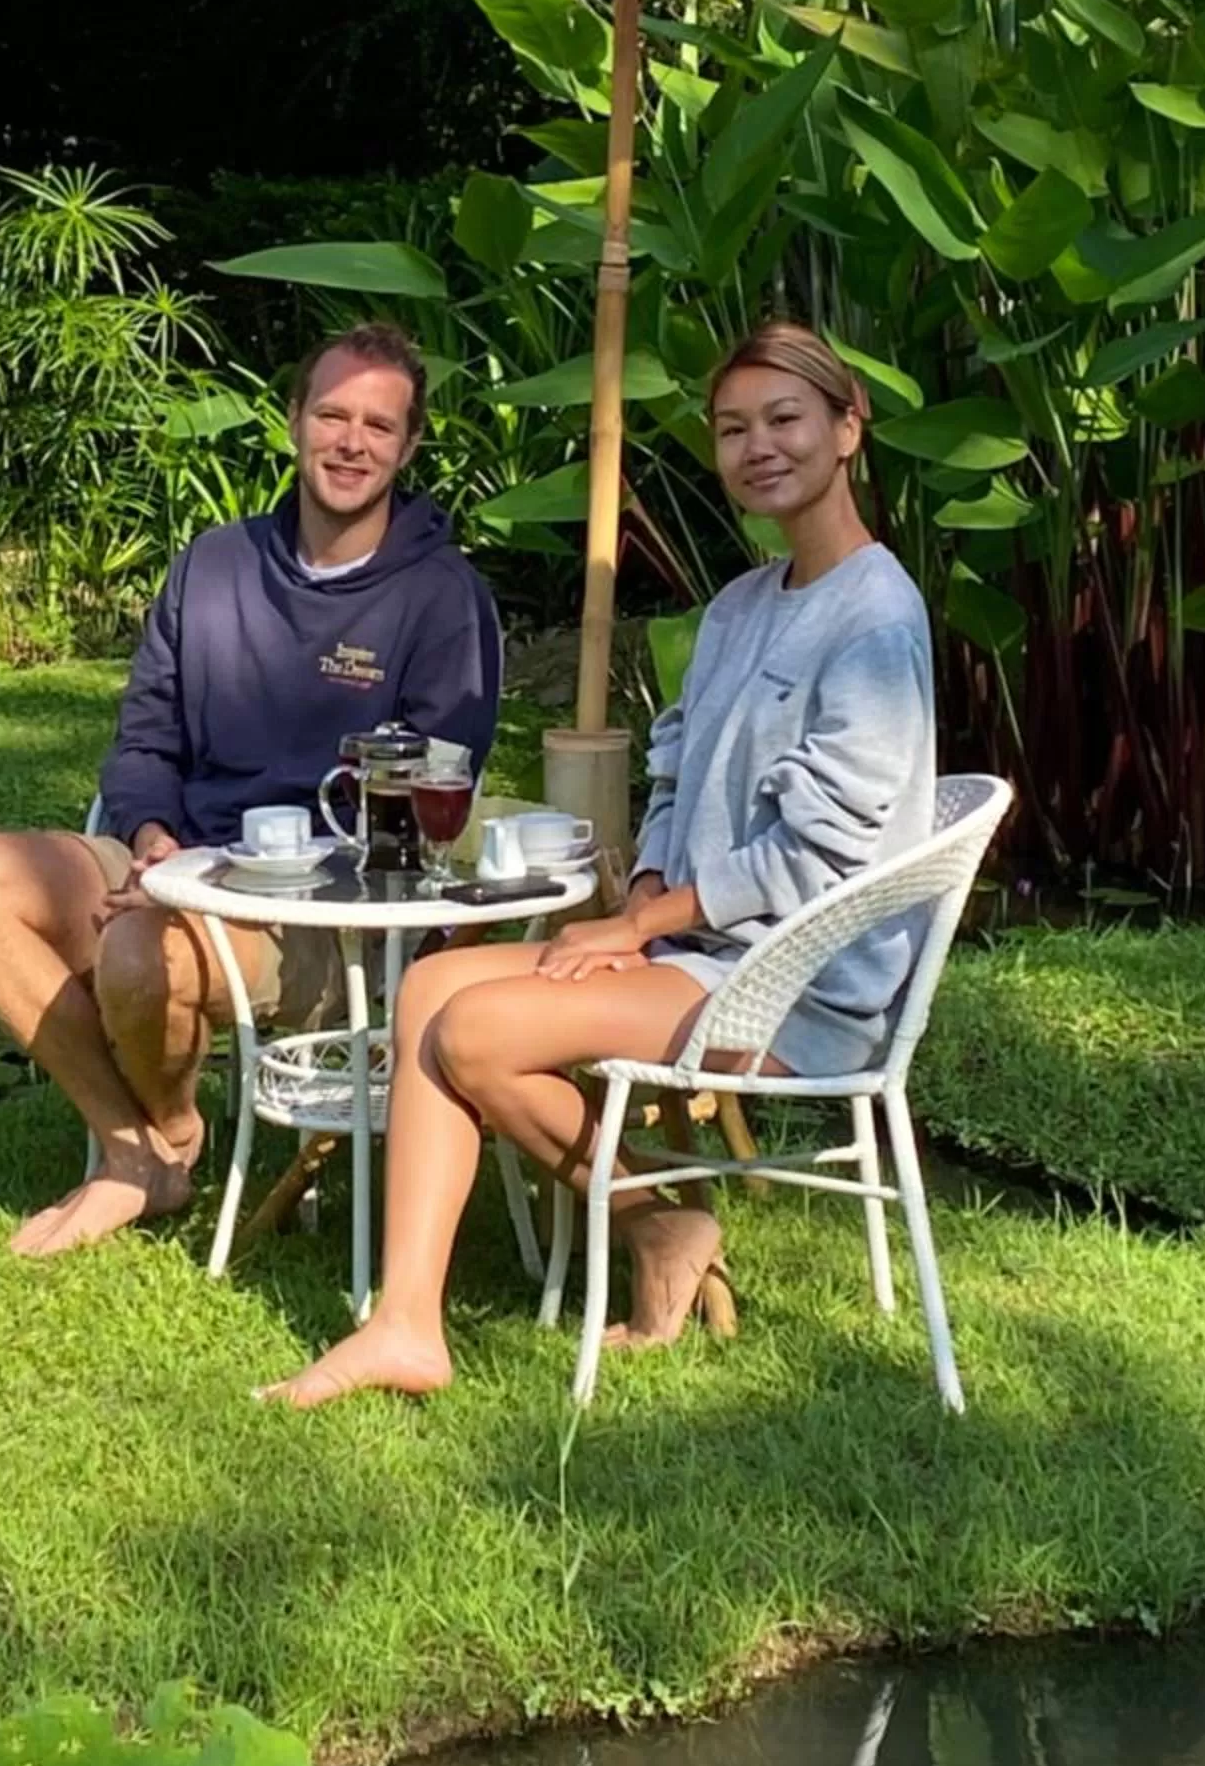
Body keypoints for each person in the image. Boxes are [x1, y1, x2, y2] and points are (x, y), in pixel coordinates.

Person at [261, 320, 934, 1408]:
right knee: (430, 986)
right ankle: (410, 1323)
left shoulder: (876, 618)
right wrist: (655, 890)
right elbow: (672, 780)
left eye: (785, 420)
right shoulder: (739, 608)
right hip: (702, 949)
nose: (757, 446)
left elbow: (826, 849)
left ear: (848, 429)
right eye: (732, 428)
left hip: (793, 988)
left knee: (475, 1032)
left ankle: (650, 1219)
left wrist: (634, 930)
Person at [0, 322, 501, 1254]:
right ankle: (142, 1147)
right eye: (332, 415)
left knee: (142, 954)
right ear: (293, 421)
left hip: (324, 912)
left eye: (379, 426)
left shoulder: (441, 597)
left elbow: (428, 793)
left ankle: (153, 1142)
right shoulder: (215, 564)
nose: (352, 442)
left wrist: (208, 880)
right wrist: (152, 838)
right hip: (170, 861)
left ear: (409, 446)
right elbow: (145, 735)